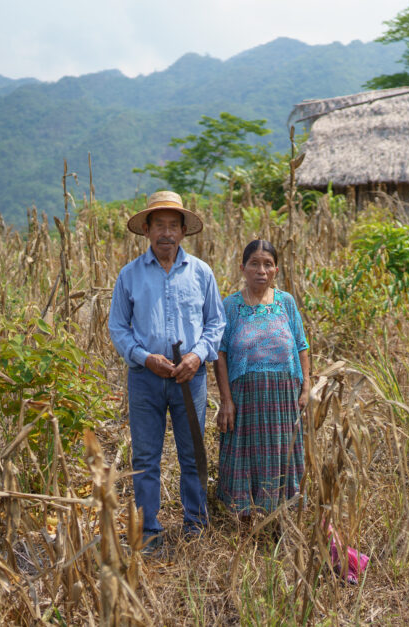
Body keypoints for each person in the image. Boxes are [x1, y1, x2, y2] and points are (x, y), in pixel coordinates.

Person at [108, 191, 224, 548]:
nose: (167, 233)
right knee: (145, 457)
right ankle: (148, 532)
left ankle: (195, 525)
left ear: (184, 232)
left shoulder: (201, 273)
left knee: (193, 453)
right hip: (146, 379)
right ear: (146, 229)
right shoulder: (129, 276)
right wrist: (146, 358)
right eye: (159, 225)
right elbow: (118, 328)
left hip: (192, 377)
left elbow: (215, 324)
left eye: (174, 226)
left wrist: (197, 355)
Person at [214, 240, 310, 526]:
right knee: (245, 454)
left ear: (276, 270)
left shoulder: (286, 302)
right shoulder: (231, 306)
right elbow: (220, 354)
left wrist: (305, 387)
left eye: (268, 264)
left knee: (283, 452)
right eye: (254, 263)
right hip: (246, 398)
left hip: (284, 396)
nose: (261, 270)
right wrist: (226, 400)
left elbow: (302, 345)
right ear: (242, 268)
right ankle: (245, 522)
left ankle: (283, 518)